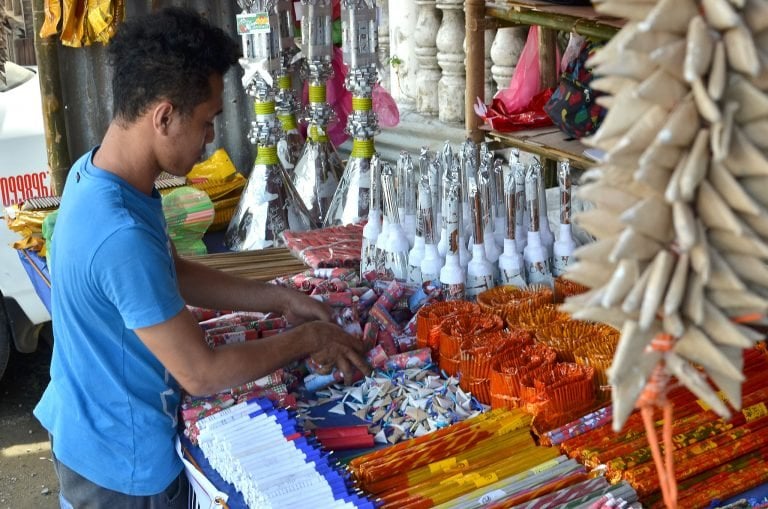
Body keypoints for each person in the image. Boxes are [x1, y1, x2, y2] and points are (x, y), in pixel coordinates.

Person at [33, 7, 369, 509]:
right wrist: (308, 338)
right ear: (164, 116)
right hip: (122, 467)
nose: (211, 138)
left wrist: (280, 301)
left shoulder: (99, 174)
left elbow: (174, 272)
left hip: (89, 427)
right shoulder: (118, 233)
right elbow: (202, 373)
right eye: (208, 121)